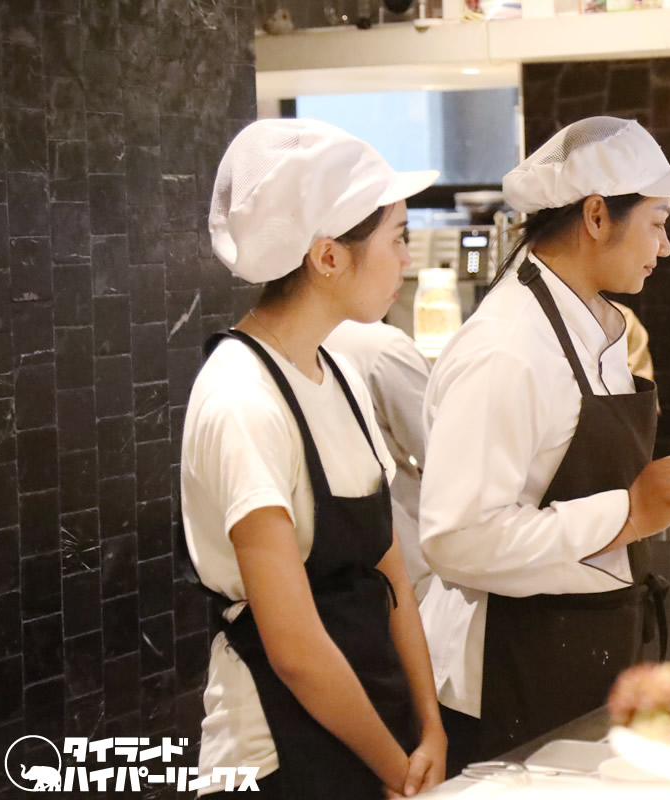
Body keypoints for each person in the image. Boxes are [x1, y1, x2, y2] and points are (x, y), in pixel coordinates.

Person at [416, 116, 670, 774]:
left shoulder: (594, 322)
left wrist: (651, 502)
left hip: (585, 647)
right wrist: (628, 512)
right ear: (596, 215)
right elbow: (456, 538)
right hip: (511, 672)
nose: (666, 246)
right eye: (657, 222)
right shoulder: (506, 349)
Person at [180, 118, 446, 799]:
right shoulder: (241, 398)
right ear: (328, 257)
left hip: (375, 731)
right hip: (276, 754)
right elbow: (295, 650)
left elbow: (390, 573)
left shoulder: (341, 373)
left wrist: (429, 727)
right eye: (398, 239)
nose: (406, 261)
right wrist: (397, 769)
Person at [324, 320, 434, 602]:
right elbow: (445, 460)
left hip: (336, 570)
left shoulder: (283, 349)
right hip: (408, 566)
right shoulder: (384, 350)